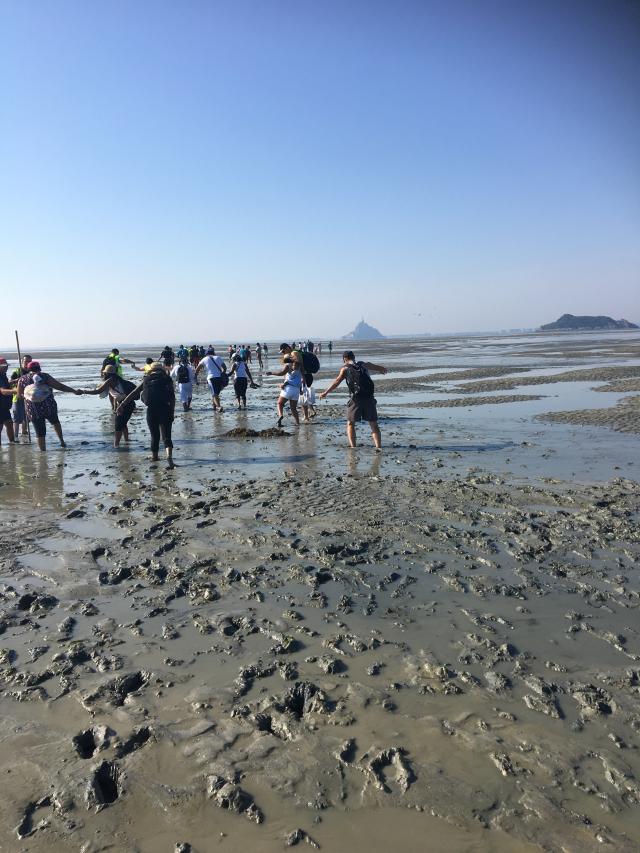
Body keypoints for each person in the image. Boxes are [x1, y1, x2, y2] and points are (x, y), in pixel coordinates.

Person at [319, 351, 387, 450]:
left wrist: (325, 392)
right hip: (369, 397)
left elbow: (337, 381)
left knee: (350, 423)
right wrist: (382, 369)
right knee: (373, 423)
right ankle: (378, 447)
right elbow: (377, 367)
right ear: (354, 357)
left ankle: (353, 447)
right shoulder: (363, 364)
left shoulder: (345, 369)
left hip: (356, 399)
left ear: (344, 359)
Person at [116, 362, 175, 467]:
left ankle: (155, 457)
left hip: (151, 410)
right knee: (167, 436)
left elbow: (134, 392)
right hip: (165, 408)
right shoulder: (167, 379)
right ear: (162, 370)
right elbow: (172, 397)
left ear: (150, 370)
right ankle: (169, 457)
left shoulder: (146, 380)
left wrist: (123, 404)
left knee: (154, 435)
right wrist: (172, 411)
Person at [17, 361, 82, 451]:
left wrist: (28, 395)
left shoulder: (22, 379)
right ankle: (62, 441)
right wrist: (74, 391)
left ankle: (42, 453)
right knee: (55, 422)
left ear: (28, 369)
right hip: (48, 406)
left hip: (32, 409)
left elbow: (19, 395)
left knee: (39, 431)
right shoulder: (44, 376)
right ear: (39, 368)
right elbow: (60, 387)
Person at [79, 365, 137, 447]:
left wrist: (84, 391)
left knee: (118, 425)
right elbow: (115, 396)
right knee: (123, 423)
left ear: (106, 373)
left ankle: (116, 445)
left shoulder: (109, 381)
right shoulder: (117, 379)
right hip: (129, 403)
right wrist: (114, 407)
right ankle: (127, 440)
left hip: (123, 404)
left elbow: (98, 391)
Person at [267, 356, 304, 427]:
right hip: (296, 390)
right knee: (293, 409)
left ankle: (280, 415)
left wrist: (271, 373)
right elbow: (301, 380)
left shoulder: (288, 366)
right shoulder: (300, 367)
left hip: (288, 389)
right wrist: (300, 390)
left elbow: (281, 373)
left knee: (279, 403)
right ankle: (297, 423)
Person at [196, 348, 227, 412]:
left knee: (214, 394)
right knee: (216, 393)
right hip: (219, 378)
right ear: (213, 353)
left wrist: (195, 375)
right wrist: (222, 373)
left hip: (211, 378)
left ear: (206, 354)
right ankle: (214, 407)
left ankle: (218, 407)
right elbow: (224, 367)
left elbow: (198, 368)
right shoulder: (218, 357)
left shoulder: (204, 359)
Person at [10, 353, 31, 438]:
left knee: (27, 417)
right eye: (26, 361)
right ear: (22, 361)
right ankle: (15, 436)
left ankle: (24, 433)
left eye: (29, 362)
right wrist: (17, 380)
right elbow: (9, 383)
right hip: (17, 397)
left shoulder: (31, 371)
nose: (27, 363)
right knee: (17, 417)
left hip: (29, 397)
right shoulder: (17, 371)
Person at [0, 358, 16, 446]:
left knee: (9, 423)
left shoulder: (3, 375)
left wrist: (14, 381)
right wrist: (16, 391)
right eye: (3, 366)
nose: (6, 367)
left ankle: (12, 442)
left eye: (6, 365)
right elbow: (2, 391)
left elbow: (6, 385)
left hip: (5, 406)